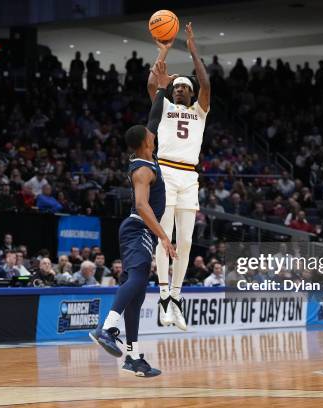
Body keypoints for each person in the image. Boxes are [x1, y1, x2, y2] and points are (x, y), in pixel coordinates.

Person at [90, 61, 176, 377]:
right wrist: (164, 237)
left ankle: (132, 357)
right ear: (144, 143)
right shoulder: (142, 169)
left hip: (142, 232)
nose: (154, 135)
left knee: (137, 296)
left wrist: (162, 85)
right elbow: (141, 206)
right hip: (138, 227)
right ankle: (107, 328)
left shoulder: (147, 154)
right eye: (150, 136)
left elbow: (155, 115)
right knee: (136, 280)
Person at [147, 22, 210, 331]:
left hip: (189, 178)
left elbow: (206, 83)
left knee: (185, 242)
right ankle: (161, 298)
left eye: (185, 86)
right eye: (177, 86)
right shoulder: (164, 107)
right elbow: (152, 84)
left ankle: (175, 299)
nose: (181, 88)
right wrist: (164, 50)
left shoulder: (200, 111)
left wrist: (193, 48)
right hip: (166, 172)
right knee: (165, 237)